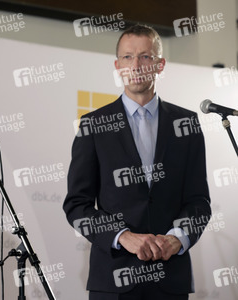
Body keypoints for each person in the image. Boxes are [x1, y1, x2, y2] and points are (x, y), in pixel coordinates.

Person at [63, 24, 211, 299]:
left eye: (145, 56)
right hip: (113, 279)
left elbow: (199, 201)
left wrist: (178, 237)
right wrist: (122, 236)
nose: (136, 65)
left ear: (160, 64)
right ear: (118, 65)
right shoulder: (93, 125)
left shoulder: (186, 123)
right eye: (128, 57)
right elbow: (77, 205)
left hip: (170, 279)